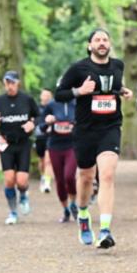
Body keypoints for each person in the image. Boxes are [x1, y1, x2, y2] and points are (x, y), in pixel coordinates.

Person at [55, 29, 133, 248]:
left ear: (109, 44)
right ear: (89, 45)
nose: (101, 43)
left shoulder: (118, 65)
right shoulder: (79, 68)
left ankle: (106, 230)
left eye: (105, 39)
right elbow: (59, 94)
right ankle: (82, 214)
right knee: (86, 177)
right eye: (97, 40)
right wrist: (80, 91)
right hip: (85, 130)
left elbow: (113, 87)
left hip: (110, 127)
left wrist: (123, 91)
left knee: (107, 175)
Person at [0, 71, 40, 225]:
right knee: (9, 180)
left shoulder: (27, 99)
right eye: (7, 83)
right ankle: (13, 212)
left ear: (18, 83)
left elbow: (39, 115)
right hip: (6, 144)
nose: (10, 86)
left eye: (12, 83)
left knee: (21, 181)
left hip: (23, 143)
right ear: (4, 83)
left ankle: (23, 195)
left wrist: (32, 124)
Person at [40, 93, 78, 224]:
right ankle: (65, 209)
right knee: (60, 181)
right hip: (55, 146)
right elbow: (41, 127)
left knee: (69, 176)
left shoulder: (77, 103)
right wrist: (47, 122)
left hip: (72, 145)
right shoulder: (51, 105)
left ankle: (73, 203)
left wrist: (76, 123)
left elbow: (86, 123)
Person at [36, 88, 54, 194]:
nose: (46, 97)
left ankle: (47, 183)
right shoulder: (36, 109)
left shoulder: (53, 107)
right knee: (42, 161)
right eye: (44, 95)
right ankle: (43, 176)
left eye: (48, 95)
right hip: (39, 137)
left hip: (50, 137)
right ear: (41, 96)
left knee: (48, 161)